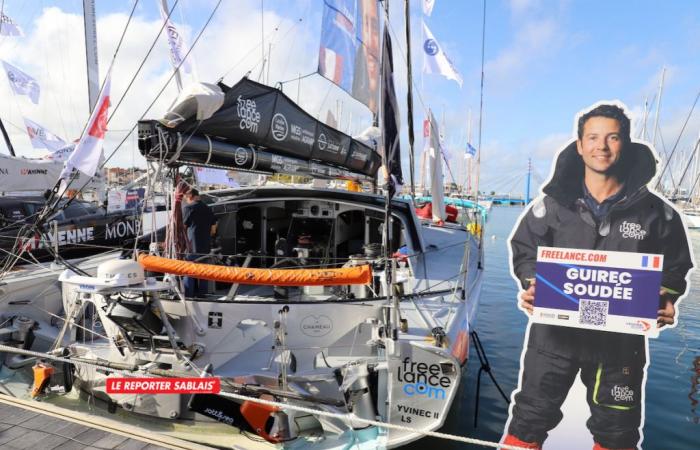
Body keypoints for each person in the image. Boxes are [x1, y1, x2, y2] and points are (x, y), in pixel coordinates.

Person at [503, 103, 693, 450]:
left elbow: (676, 265)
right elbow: (525, 248)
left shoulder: (659, 214)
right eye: (592, 137)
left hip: (619, 343)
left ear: (625, 143)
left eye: (612, 137)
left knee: (618, 431)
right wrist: (532, 284)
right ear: (579, 145)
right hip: (554, 338)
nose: (601, 146)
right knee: (528, 420)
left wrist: (665, 298)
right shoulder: (552, 205)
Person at [182, 188, 217, 297]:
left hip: (192, 246)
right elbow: (213, 229)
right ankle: (203, 296)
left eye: (186, 198)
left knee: (189, 272)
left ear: (190, 196)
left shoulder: (188, 208)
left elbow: (183, 228)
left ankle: (189, 296)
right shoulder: (208, 208)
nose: (186, 200)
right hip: (205, 246)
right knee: (203, 272)